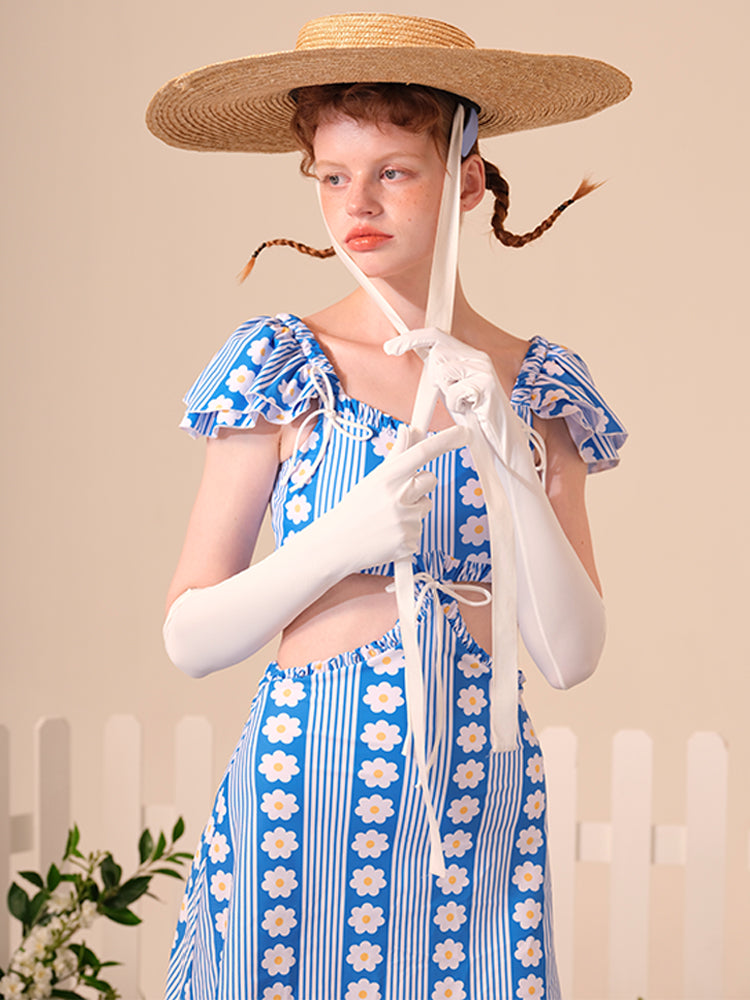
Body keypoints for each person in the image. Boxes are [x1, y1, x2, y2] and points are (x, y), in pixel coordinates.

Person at [147, 13, 629, 1000]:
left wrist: (508, 458)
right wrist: (338, 542)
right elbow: (189, 636)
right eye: (332, 176)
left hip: (481, 801)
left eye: (393, 172)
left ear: (465, 175)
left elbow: (571, 657)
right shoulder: (287, 368)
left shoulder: (538, 388)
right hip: (307, 790)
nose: (355, 204)